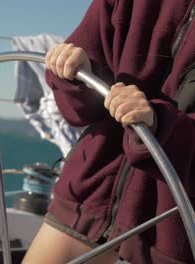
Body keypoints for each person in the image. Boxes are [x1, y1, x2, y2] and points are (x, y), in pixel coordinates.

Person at [22, 0, 195, 263]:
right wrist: (74, 72)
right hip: (88, 198)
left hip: (174, 227)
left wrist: (160, 125)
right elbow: (76, 111)